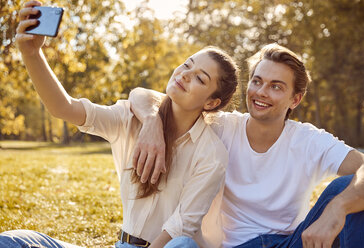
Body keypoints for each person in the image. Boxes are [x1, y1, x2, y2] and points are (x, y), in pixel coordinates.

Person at [0, 1, 240, 248]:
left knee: (182, 244)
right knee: (12, 241)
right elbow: (64, 108)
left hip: (166, 247)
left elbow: (182, 225)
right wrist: (32, 54)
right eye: (187, 64)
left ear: (211, 103)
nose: (185, 75)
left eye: (200, 78)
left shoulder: (211, 154)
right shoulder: (131, 117)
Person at [127, 43, 364, 248]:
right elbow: (142, 94)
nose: (261, 92)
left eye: (276, 86)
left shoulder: (309, 140)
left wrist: (337, 208)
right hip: (230, 246)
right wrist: (151, 121)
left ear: (295, 99)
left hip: (290, 243)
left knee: (349, 189)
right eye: (257, 81)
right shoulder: (220, 126)